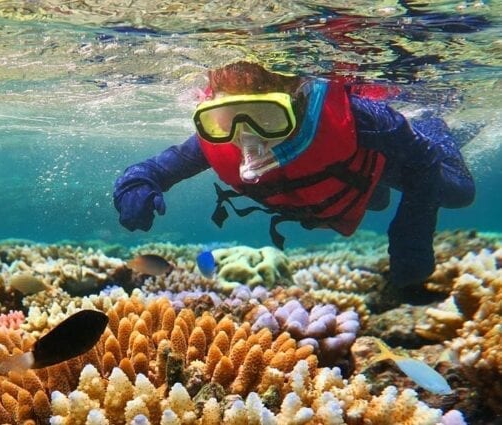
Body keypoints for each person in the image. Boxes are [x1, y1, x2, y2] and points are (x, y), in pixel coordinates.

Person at [113, 61, 475, 304]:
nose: (246, 138)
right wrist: (135, 183)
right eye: (224, 120)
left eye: (267, 118)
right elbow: (157, 169)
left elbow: (424, 163)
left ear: (298, 103)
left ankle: (432, 124)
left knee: (458, 192)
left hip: (380, 157)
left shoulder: (367, 120)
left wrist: (411, 235)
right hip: (344, 182)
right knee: (375, 201)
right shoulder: (221, 142)